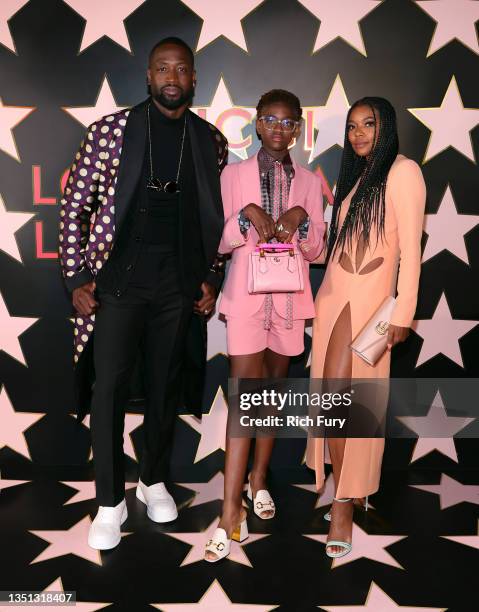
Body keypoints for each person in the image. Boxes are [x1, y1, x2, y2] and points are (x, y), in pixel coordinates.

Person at [58, 37, 228, 550]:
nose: (172, 77)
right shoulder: (111, 131)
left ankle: (153, 480)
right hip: (117, 283)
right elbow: (74, 207)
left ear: (194, 79)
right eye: (162, 69)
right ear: (149, 76)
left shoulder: (210, 140)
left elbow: (211, 220)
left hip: (177, 286)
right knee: (106, 389)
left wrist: (211, 275)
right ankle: (109, 501)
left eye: (181, 69)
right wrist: (75, 279)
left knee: (164, 388)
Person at [204, 89, 326, 562]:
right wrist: (244, 216)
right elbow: (217, 240)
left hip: (291, 302)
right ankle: (228, 512)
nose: (279, 128)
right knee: (243, 400)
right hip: (247, 301)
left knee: (272, 395)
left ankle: (259, 482)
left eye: (289, 121)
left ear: (298, 128)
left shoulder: (312, 182)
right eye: (271, 119)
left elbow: (317, 251)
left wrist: (300, 222)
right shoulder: (232, 175)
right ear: (256, 124)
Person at [306, 97, 426, 558]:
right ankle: (345, 487)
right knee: (333, 397)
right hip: (334, 301)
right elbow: (338, 250)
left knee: (355, 401)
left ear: (386, 127)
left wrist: (403, 314)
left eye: (368, 124)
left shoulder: (403, 171)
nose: (357, 133)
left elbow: (411, 251)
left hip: (377, 309)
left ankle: (343, 501)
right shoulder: (355, 180)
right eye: (352, 126)